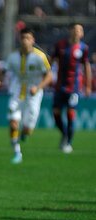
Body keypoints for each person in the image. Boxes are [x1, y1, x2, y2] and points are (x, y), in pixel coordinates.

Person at [0, 28, 53, 164]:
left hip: (34, 93)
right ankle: (17, 152)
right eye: (23, 38)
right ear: (20, 40)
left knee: (27, 128)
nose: (25, 41)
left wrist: (38, 87)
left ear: (33, 40)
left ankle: (25, 133)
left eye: (28, 38)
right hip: (17, 91)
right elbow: (3, 71)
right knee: (13, 122)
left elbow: (49, 76)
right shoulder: (13, 56)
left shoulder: (40, 57)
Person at [50, 23, 92, 153]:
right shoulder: (60, 45)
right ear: (70, 31)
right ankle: (65, 134)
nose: (76, 31)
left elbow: (86, 67)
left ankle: (68, 143)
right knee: (56, 114)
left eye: (79, 30)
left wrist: (88, 86)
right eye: (75, 29)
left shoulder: (83, 48)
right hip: (59, 86)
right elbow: (51, 61)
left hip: (74, 88)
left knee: (70, 113)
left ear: (82, 34)